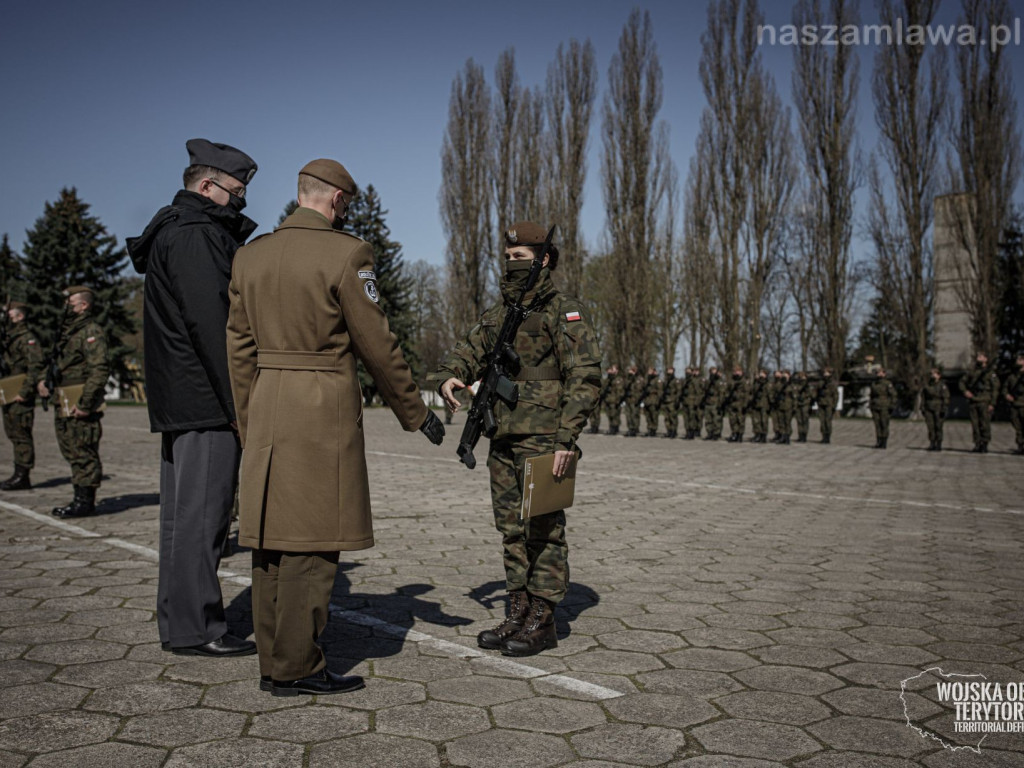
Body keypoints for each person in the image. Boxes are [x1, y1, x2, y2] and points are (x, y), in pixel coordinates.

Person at [228, 159, 444, 695]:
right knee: (313, 540)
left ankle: (274, 662)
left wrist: (250, 423)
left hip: (267, 403)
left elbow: (238, 350)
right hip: (319, 409)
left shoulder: (249, 256)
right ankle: (298, 667)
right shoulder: (347, 254)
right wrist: (414, 411)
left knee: (271, 543)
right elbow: (376, 344)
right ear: (338, 200)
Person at [437, 220, 600, 657]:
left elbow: (585, 376)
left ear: (543, 261)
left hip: (545, 438)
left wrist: (567, 437)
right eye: (508, 257)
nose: (511, 263)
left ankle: (543, 620)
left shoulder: (563, 311)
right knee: (510, 529)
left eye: (520, 257)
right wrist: (450, 376)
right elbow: (467, 350)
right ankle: (519, 610)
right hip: (503, 437)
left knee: (543, 528)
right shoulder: (499, 315)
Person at [127, 138, 259, 659]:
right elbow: (215, 328)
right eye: (236, 191)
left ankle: (180, 621)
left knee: (182, 521)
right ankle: (199, 627)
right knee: (203, 521)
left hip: (184, 399)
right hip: (206, 401)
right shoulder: (196, 235)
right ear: (207, 186)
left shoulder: (176, 230)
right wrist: (239, 406)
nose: (241, 201)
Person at [36, 287, 109, 517]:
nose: (66, 306)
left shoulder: (90, 331)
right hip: (64, 399)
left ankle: (84, 501)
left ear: (83, 306)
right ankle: (80, 497)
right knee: (71, 450)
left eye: (71, 303)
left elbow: (99, 370)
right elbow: (59, 364)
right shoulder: (68, 333)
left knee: (83, 452)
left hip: (79, 401)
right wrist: (44, 381)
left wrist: (86, 403)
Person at [0, 302, 42, 490]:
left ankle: (22, 475)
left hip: (19, 393)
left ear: (20, 317)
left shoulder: (26, 339)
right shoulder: (9, 338)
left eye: (9, 315)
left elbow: (35, 366)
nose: (6, 319)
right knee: (12, 432)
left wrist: (24, 392)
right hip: (8, 390)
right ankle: (19, 472)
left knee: (21, 434)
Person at [959, 351, 999, 453]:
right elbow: (962, 382)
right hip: (973, 400)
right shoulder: (972, 371)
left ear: (986, 359)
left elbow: (995, 389)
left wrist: (992, 403)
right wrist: (965, 391)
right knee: (975, 424)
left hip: (985, 400)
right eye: (977, 356)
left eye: (981, 356)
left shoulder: (990, 373)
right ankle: (977, 443)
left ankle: (984, 443)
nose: (978, 358)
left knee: (984, 423)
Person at [921, 368, 950, 452]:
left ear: (938, 375)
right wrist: (922, 407)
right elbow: (923, 397)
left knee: (938, 426)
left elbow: (946, 397)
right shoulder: (927, 385)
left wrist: (944, 408)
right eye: (931, 374)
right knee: (930, 427)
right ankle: (932, 442)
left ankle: (939, 443)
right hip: (928, 407)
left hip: (938, 407)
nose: (932, 375)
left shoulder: (942, 385)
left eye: (934, 374)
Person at [869, 368, 896, 449]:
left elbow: (893, 395)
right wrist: (870, 404)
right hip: (875, 405)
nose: (879, 374)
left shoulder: (887, 384)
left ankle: (884, 442)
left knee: (884, 424)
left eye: (880, 373)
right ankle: (879, 441)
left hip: (885, 406)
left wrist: (892, 405)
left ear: (884, 374)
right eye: (877, 373)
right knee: (877, 424)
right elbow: (871, 395)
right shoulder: (874, 383)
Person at [1004, 353, 1024, 455]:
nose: (1017, 362)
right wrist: (1007, 395)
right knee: (1018, 427)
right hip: (1015, 404)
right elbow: (1005, 388)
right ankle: (1020, 446)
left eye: (1020, 360)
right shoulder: (1012, 376)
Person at [815, 367, 839, 444]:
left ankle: (827, 436)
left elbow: (835, 395)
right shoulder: (820, 382)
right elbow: (816, 392)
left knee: (828, 421)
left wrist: (834, 405)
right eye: (824, 372)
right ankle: (823, 436)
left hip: (829, 403)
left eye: (827, 372)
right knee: (822, 421)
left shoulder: (832, 383)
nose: (825, 374)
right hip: (821, 403)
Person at [725, 366, 748, 443]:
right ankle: (734, 433)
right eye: (735, 371)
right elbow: (727, 390)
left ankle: (740, 435)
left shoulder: (744, 381)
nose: (736, 373)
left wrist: (745, 403)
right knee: (732, 419)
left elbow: (747, 393)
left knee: (740, 419)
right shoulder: (731, 381)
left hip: (740, 403)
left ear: (741, 372)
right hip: (732, 403)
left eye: (738, 371)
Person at [703, 366, 726, 440]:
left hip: (716, 402)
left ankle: (717, 433)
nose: (713, 373)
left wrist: (720, 403)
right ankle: (709, 433)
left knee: (716, 419)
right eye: (711, 371)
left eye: (714, 371)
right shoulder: (708, 382)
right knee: (708, 420)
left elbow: (722, 393)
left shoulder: (719, 382)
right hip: (708, 402)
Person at [748, 369, 771, 443]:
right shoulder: (757, 383)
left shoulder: (767, 383)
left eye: (762, 373)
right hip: (756, 403)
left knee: (764, 420)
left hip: (764, 403)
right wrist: (756, 381)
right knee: (756, 420)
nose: (760, 375)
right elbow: (752, 390)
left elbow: (769, 393)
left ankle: (763, 435)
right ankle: (757, 434)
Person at [682, 366, 704, 439]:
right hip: (685, 401)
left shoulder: (694, 381)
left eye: (689, 371)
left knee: (692, 417)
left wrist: (697, 401)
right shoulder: (684, 380)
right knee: (686, 417)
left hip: (692, 401)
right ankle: (687, 431)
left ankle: (692, 432)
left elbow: (698, 392)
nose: (687, 373)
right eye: (686, 371)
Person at [623, 364, 645, 437]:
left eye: (632, 370)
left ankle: (635, 429)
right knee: (628, 415)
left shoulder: (639, 379)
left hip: (635, 400)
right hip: (628, 399)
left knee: (634, 415)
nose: (630, 371)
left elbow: (640, 389)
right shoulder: (627, 379)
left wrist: (638, 399)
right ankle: (630, 428)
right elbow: (625, 386)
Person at [602, 364, 624, 435]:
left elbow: (620, 391)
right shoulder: (609, 379)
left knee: (614, 415)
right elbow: (604, 387)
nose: (611, 371)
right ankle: (612, 427)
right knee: (609, 414)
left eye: (613, 369)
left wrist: (618, 400)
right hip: (608, 400)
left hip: (615, 400)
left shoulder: (618, 379)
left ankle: (614, 428)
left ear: (617, 370)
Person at [661, 367, 682, 438]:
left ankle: (674, 431)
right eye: (668, 370)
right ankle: (669, 431)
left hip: (672, 401)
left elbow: (679, 391)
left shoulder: (676, 381)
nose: (669, 372)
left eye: (671, 370)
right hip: (666, 400)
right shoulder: (666, 380)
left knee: (673, 417)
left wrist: (677, 400)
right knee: (666, 417)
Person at [642, 367, 662, 436]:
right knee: (648, 415)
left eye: (651, 371)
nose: (649, 372)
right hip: (647, 400)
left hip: (653, 400)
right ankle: (649, 428)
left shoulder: (657, 380)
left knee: (654, 415)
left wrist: (658, 400)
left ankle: (654, 429)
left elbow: (660, 390)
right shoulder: (646, 379)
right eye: (649, 371)